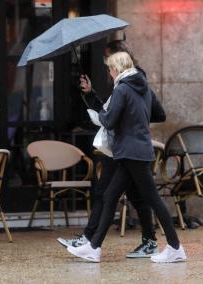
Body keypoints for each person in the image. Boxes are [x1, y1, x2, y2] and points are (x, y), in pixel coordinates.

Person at [66, 52, 187, 263]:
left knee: (153, 200)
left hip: (131, 153)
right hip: (137, 151)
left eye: (110, 69)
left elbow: (109, 120)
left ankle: (175, 247)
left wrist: (98, 116)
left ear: (116, 69)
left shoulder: (122, 89)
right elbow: (159, 114)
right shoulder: (143, 87)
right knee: (111, 195)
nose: (110, 73)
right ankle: (94, 248)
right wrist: (136, 117)